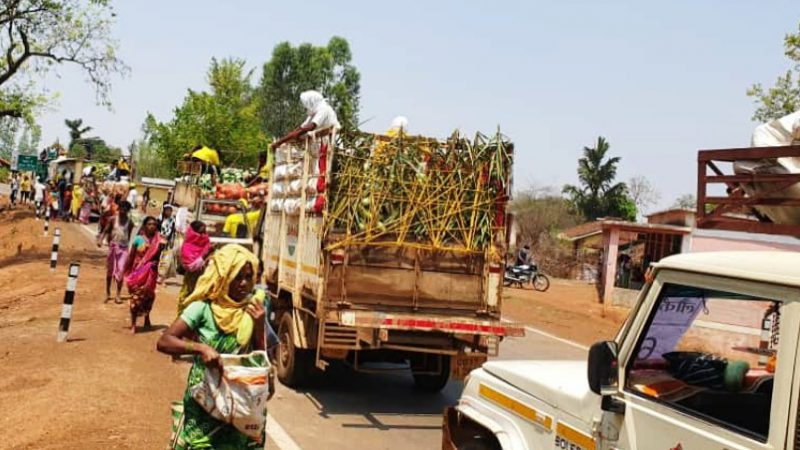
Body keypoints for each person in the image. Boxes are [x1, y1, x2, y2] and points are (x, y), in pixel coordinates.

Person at [157, 244, 271, 449]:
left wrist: (259, 326)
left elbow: (261, 358)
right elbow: (165, 341)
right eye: (237, 277)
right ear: (223, 276)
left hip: (240, 404)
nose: (244, 284)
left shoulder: (254, 311)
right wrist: (200, 348)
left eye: (248, 277)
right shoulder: (201, 309)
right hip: (204, 403)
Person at [124, 216, 163, 333]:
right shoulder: (138, 239)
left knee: (149, 296)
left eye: (154, 224)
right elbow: (131, 256)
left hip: (151, 272)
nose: (152, 226)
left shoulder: (159, 240)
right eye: (149, 224)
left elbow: (158, 257)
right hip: (138, 272)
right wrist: (125, 271)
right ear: (145, 225)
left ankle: (147, 317)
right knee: (135, 297)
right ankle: (133, 324)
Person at [270, 90, 340, 151]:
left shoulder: (324, 109)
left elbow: (311, 126)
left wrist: (297, 134)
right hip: (324, 144)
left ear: (311, 102)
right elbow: (299, 129)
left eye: (306, 104)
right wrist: (280, 142)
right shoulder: (313, 114)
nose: (305, 107)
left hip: (334, 143)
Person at [98, 201, 134, 303]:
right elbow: (105, 230)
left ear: (128, 211)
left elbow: (129, 236)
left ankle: (118, 294)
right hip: (113, 247)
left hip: (123, 249)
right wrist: (101, 239)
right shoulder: (113, 219)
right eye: (121, 209)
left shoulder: (129, 222)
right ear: (119, 209)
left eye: (125, 209)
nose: (123, 211)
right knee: (110, 271)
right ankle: (108, 292)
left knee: (121, 271)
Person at [177, 220, 212, 314]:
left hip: (204, 280)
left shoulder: (207, 244)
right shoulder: (187, 247)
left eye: (205, 232)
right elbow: (190, 267)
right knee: (187, 300)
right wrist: (205, 256)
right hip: (191, 281)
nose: (203, 235)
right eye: (201, 233)